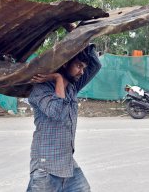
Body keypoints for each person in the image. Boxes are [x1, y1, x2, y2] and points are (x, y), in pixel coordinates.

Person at [27, 44, 101, 192]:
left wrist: (76, 33)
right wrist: (58, 78)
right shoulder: (41, 89)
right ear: (65, 63)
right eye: (79, 66)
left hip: (67, 165)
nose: (81, 71)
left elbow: (96, 64)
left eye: (83, 68)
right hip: (46, 168)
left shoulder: (72, 87)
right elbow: (57, 112)